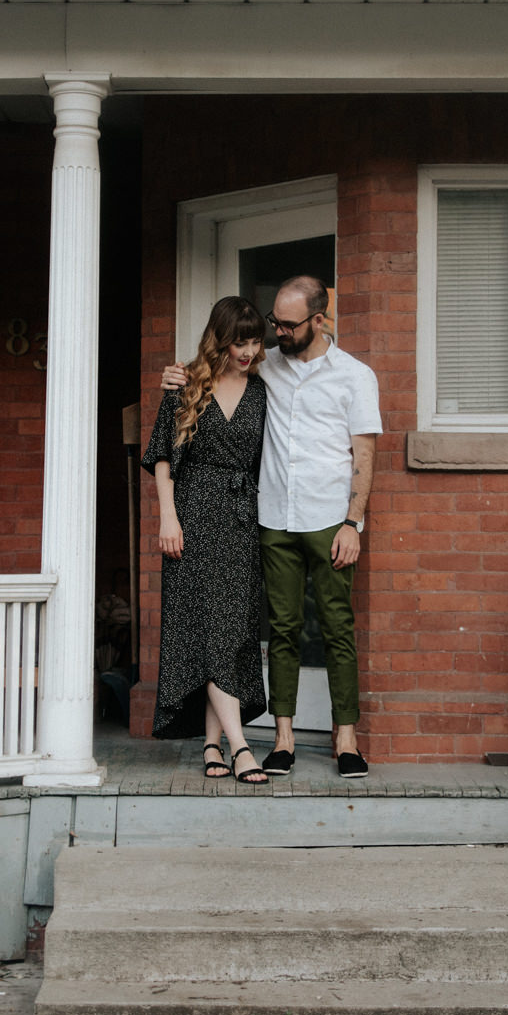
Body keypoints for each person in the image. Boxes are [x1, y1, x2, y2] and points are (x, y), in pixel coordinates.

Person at [163, 274, 381, 778]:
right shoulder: (267, 369)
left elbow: (365, 455)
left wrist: (354, 522)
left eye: (287, 325)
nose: (276, 333)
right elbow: (212, 374)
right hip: (274, 518)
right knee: (281, 629)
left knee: (336, 628)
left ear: (318, 320)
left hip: (330, 520)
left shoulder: (355, 376)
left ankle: (345, 740)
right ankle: (282, 740)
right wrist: (174, 377)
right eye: (273, 324)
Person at [142, 295, 272, 784]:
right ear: (220, 338)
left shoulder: (261, 389)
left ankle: (212, 744)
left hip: (241, 522)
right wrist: (167, 518)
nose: (248, 350)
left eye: (255, 340)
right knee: (208, 630)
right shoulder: (186, 386)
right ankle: (241, 747)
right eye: (240, 341)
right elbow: (162, 458)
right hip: (192, 518)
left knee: (231, 632)